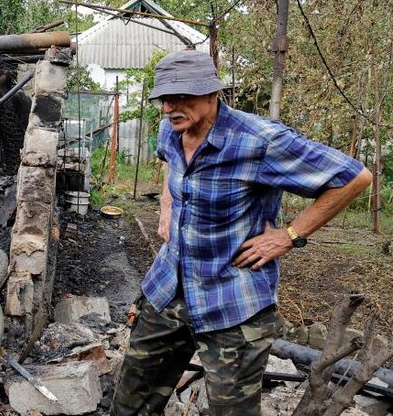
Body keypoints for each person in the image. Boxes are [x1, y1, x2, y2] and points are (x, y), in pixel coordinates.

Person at [111, 50, 371, 415]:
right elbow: (170, 161)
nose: (169, 108)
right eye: (164, 99)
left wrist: (288, 235)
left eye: (180, 97)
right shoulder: (171, 128)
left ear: (211, 93)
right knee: (129, 405)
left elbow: (354, 177)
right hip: (169, 287)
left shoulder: (260, 141)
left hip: (232, 300)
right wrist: (167, 205)